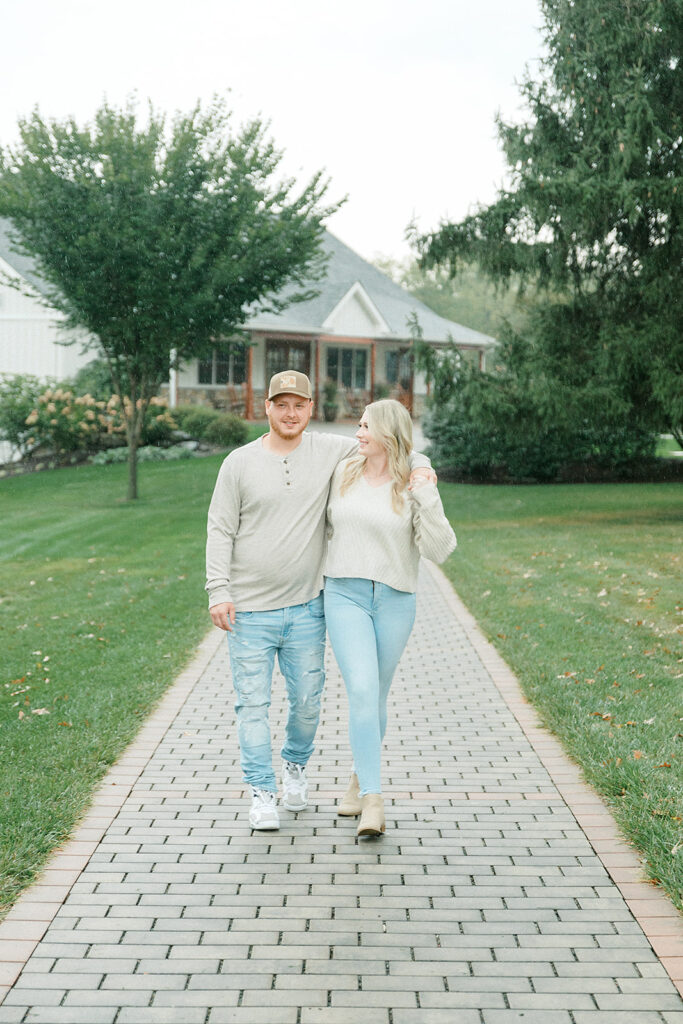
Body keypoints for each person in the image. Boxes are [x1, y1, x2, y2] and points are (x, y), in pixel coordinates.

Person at [206, 371, 434, 831]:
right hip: (249, 609)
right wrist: (219, 590)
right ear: (266, 407)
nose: (290, 414)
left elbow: (390, 443)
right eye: (281, 404)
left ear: (311, 410)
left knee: (307, 703)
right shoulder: (238, 463)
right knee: (252, 705)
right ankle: (262, 792)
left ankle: (294, 766)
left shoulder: (331, 451)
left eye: (299, 405)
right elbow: (220, 528)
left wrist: (423, 463)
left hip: (309, 606)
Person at [323, 399, 456, 837]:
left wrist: (425, 487)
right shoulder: (343, 470)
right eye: (358, 425)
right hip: (345, 594)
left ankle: (359, 779)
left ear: (387, 434)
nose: (357, 433)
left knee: (375, 696)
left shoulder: (412, 483)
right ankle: (374, 802)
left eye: (365, 426)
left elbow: (439, 550)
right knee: (361, 688)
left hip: (396, 599)